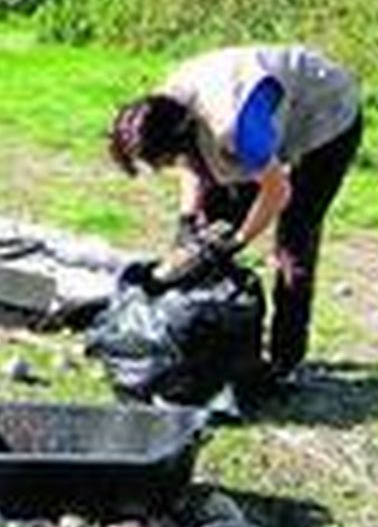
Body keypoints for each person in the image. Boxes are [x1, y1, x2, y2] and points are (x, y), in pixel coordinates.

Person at [108, 45, 363, 385]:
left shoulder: (235, 128)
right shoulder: (165, 106)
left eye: (164, 161)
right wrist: (188, 222)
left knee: (294, 240)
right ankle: (214, 344)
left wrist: (237, 242)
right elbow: (191, 164)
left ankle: (285, 360)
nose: (166, 167)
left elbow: (278, 191)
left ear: (179, 141)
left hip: (325, 112)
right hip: (256, 111)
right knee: (212, 220)